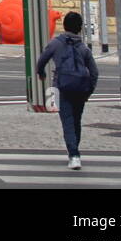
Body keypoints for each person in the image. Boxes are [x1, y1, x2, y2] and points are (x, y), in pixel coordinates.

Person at [37, 11, 99, 171]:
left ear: (64, 26)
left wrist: (41, 73)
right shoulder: (84, 48)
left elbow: (42, 60)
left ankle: (74, 155)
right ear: (80, 28)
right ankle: (74, 151)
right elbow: (94, 72)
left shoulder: (55, 43)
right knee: (76, 120)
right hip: (80, 88)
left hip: (63, 87)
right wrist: (89, 91)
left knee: (67, 122)